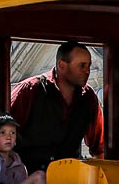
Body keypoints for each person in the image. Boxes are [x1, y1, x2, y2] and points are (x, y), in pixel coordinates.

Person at [6, 40, 104, 175]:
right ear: (62, 65)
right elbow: (2, 134)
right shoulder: (29, 90)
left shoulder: (88, 97)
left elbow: (99, 146)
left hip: (68, 178)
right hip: (29, 179)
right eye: (82, 65)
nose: (87, 71)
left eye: (89, 65)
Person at [0, 115, 44, 184]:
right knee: (39, 176)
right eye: (2, 133)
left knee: (39, 176)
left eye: (12, 133)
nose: (8, 137)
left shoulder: (19, 164)